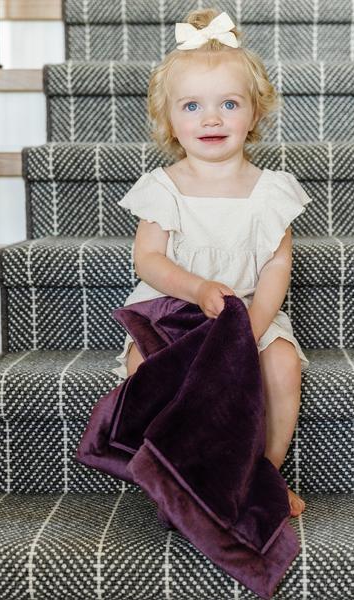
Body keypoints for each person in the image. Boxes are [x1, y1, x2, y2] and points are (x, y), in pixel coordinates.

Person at [114, 8, 310, 517]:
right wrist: (198, 288)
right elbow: (149, 260)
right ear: (169, 120)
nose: (212, 118)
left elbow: (274, 269)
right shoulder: (165, 188)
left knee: (284, 365)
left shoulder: (271, 192)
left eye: (229, 103)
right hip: (175, 313)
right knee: (144, 366)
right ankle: (173, 474)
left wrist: (248, 332)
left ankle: (260, 476)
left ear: (255, 114)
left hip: (248, 314)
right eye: (192, 106)